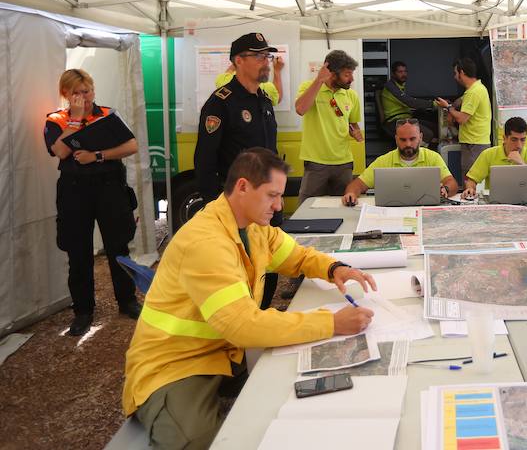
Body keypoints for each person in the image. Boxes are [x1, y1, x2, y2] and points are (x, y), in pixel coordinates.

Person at [123, 149, 376, 449]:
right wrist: (331, 323)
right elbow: (242, 325)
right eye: (272, 195)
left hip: (227, 351)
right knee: (196, 440)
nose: (279, 205)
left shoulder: (254, 226)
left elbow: (296, 256)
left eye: (280, 196)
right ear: (242, 187)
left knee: (289, 394)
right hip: (176, 363)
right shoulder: (206, 242)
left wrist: (333, 267)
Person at [44, 69, 142, 336]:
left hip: (110, 187)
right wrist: (75, 120)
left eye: (86, 91)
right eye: (76, 92)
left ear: (93, 90)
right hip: (74, 190)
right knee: (78, 251)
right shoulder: (56, 119)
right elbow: (60, 151)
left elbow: (131, 145)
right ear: (66, 94)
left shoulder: (107, 115)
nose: (83, 97)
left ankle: (127, 301)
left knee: (118, 246)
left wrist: (98, 155)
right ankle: (83, 311)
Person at [195, 32, 279, 308]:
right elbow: (205, 159)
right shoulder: (221, 102)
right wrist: (214, 208)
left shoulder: (264, 100)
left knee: (268, 267)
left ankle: (261, 318)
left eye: (267, 56)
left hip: (265, 204)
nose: (265, 62)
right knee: (241, 274)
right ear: (238, 61)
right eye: (258, 56)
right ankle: (243, 332)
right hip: (237, 207)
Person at [295, 50, 363, 204]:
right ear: (332, 73)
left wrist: (356, 132)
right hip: (316, 163)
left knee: (344, 206)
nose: (351, 79)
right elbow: (300, 109)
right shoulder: (309, 87)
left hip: (344, 163)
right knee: (307, 209)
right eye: (347, 74)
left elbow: (353, 123)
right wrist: (318, 81)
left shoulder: (351, 95)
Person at [342, 120, 458, 206]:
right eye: (403, 139)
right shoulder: (384, 160)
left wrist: (446, 189)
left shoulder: (433, 157)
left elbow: (452, 183)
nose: (408, 144)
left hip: (425, 211)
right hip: (392, 213)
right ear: (396, 139)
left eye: (412, 139)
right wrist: (351, 193)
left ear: (420, 137)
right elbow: (357, 184)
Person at [435, 57, 492, 177]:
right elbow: (460, 101)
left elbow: (461, 119)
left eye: (455, 73)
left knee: (470, 180)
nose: (454, 77)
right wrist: (450, 104)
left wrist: (448, 108)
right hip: (475, 143)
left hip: (473, 145)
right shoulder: (476, 88)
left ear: (462, 72)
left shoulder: (473, 93)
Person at [462, 116, 527, 199]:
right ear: (504, 138)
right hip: (496, 203)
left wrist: (521, 164)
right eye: (514, 140)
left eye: (523, 140)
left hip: (525, 201)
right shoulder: (489, 154)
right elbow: (471, 180)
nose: (519, 145)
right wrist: (470, 188)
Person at [382, 61, 437, 143]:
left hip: (406, 119)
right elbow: (410, 102)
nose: (403, 74)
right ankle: (418, 154)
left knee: (435, 128)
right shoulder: (391, 87)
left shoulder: (400, 86)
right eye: (400, 72)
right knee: (427, 134)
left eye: (405, 71)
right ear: (393, 74)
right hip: (395, 121)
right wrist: (433, 104)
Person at [215, 53, 284, 106]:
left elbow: (231, 69)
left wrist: (240, 61)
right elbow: (278, 98)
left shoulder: (224, 81)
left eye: (267, 56)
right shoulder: (265, 88)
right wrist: (277, 71)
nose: (267, 62)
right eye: (259, 57)